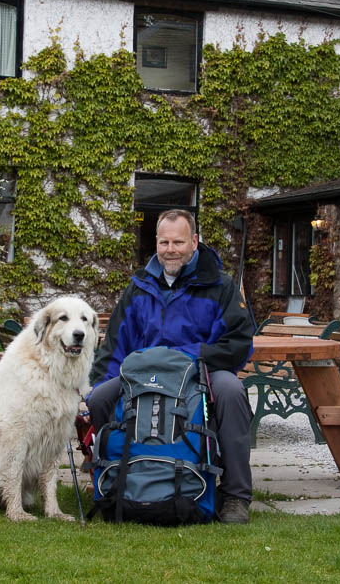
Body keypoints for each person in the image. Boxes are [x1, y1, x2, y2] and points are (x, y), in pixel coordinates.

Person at [87, 209, 255, 524]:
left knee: (232, 391)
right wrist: (99, 383)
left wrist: (189, 356)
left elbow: (239, 343)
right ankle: (111, 475)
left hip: (200, 371)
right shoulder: (139, 285)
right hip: (145, 376)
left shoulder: (221, 285)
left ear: (194, 242)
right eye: (164, 242)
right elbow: (115, 345)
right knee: (98, 398)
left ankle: (235, 495)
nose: (170, 249)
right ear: (156, 243)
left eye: (178, 242)